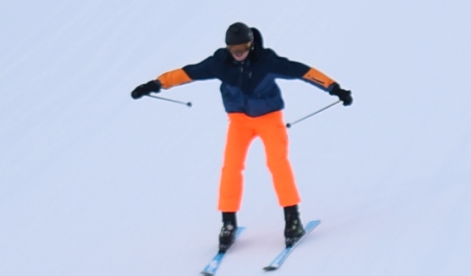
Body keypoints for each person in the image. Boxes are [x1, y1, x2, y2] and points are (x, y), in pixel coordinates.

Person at [131, 22, 351, 250]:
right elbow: (187, 73)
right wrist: (155, 84)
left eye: (243, 49)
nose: (238, 54)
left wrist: (334, 88)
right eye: (234, 50)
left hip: (269, 118)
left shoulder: (266, 61)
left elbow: (302, 71)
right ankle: (228, 223)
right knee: (231, 166)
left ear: (251, 45)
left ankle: (292, 219)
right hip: (239, 121)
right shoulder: (219, 64)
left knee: (277, 163)